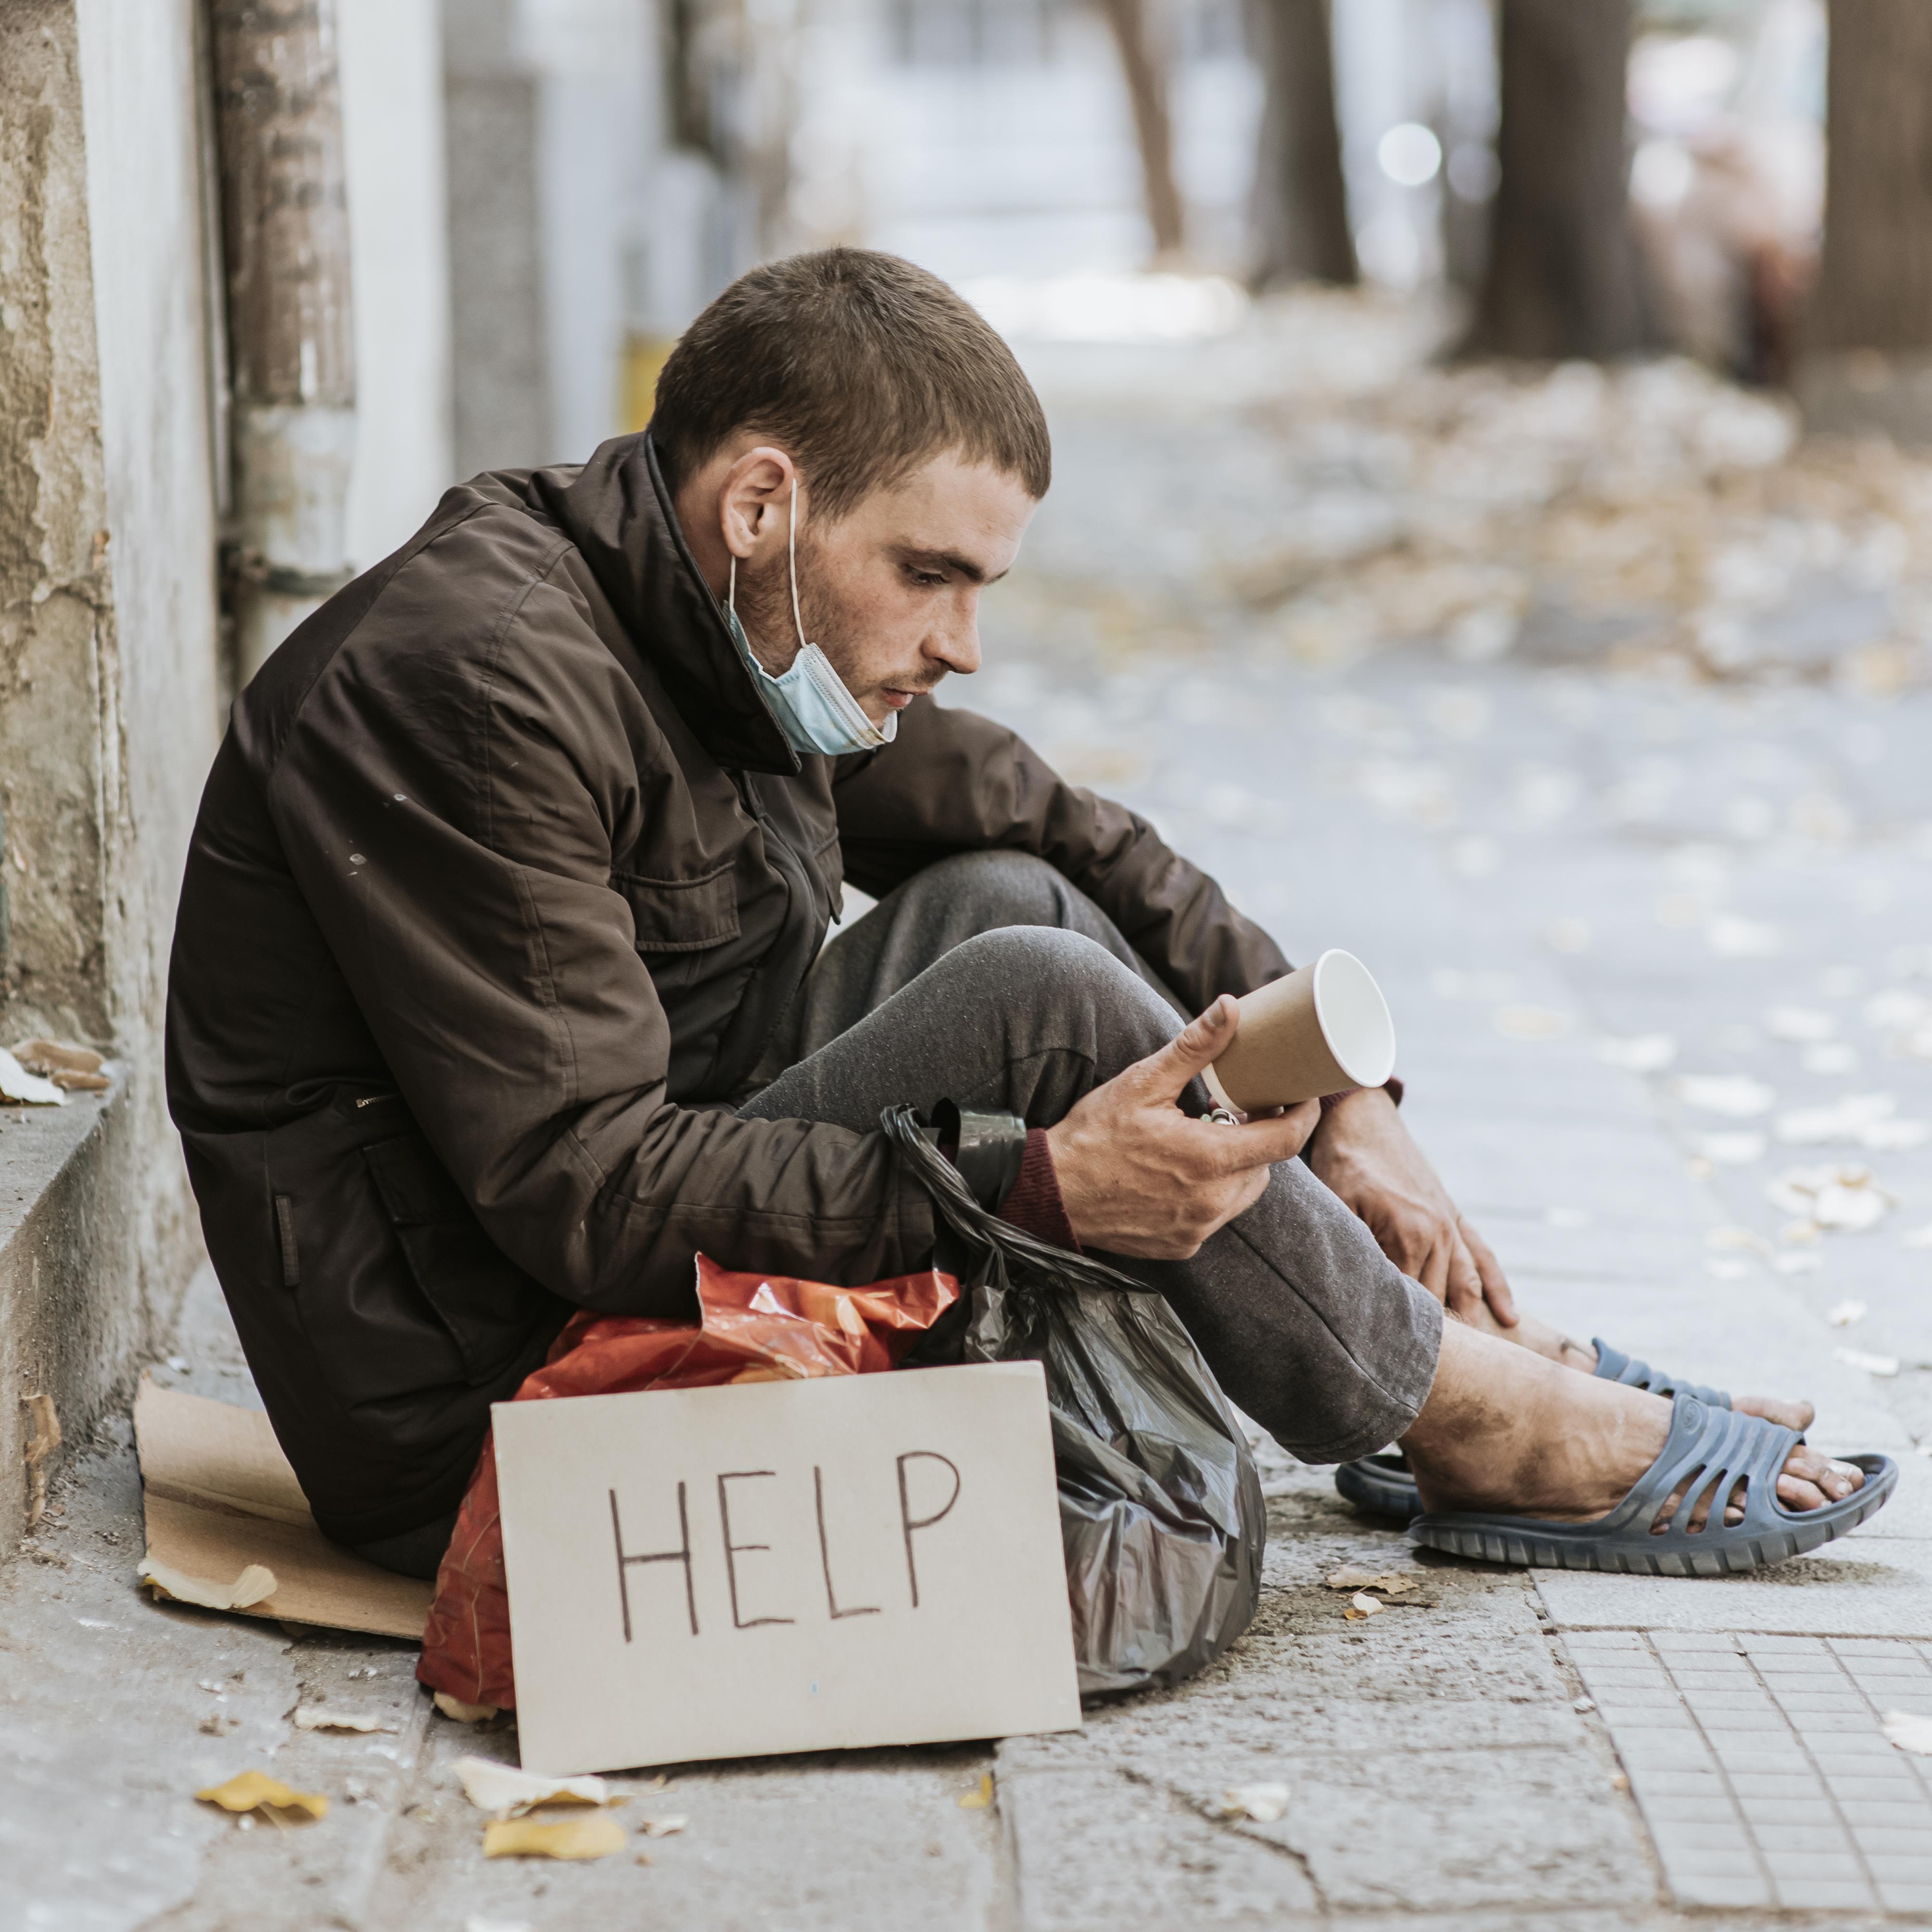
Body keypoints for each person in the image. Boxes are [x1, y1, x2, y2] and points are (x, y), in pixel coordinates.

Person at [166, 249, 1881, 1585]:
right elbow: (583, 1189)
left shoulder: (720, 616)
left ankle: (1415, 1353)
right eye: (932, 575)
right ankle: (1473, 1415)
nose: (963, 638)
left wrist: (1347, 1096)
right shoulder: (475, 680)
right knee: (1039, 981)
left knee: (1016, 899)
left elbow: (1043, 818)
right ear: (763, 504)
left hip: (644, 1219)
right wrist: (1031, 1189)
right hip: (499, 1402)